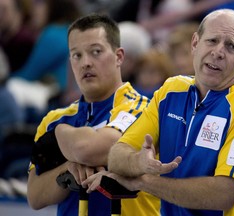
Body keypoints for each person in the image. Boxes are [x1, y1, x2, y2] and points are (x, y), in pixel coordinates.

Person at [84, 9, 234, 216]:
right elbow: (117, 156)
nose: (218, 52)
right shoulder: (171, 90)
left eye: (231, 46)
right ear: (195, 43)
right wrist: (140, 162)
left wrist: (143, 180)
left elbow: (224, 193)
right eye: (212, 41)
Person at [27, 13, 160, 216]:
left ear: (119, 57)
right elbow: (35, 197)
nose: (85, 63)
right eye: (76, 55)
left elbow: (89, 150)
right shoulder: (53, 118)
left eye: (96, 52)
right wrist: (67, 170)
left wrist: (61, 133)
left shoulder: (143, 109)